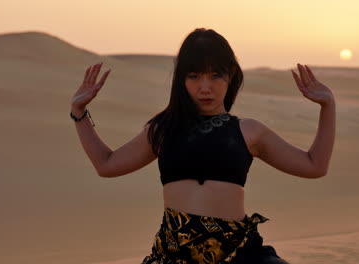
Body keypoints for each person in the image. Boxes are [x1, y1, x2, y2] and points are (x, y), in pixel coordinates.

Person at [70, 28, 335, 264]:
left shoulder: (249, 130)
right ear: (181, 80)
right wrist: (79, 112)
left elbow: (314, 165)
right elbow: (106, 164)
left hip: (240, 252)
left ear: (230, 76)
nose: (205, 87)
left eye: (215, 75)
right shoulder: (162, 130)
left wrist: (328, 106)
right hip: (176, 254)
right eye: (194, 76)